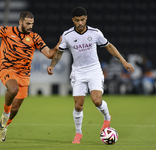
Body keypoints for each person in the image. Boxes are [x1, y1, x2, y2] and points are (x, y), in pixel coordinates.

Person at [47, 7, 134, 144]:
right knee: (78, 106)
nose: (80, 23)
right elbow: (59, 52)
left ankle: (107, 117)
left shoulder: (95, 33)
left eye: (82, 20)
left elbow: (109, 46)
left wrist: (124, 62)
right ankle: (78, 134)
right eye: (77, 20)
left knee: (97, 101)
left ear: (86, 18)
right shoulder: (67, 35)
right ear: (73, 20)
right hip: (78, 72)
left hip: (94, 70)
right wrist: (52, 65)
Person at [0, 11, 61, 142]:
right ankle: (5, 114)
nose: (30, 26)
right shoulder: (6, 30)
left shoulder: (35, 37)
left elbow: (48, 54)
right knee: (13, 89)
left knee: (16, 108)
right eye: (28, 23)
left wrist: (56, 48)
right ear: (20, 22)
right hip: (7, 69)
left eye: (32, 24)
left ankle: (4, 126)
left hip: (24, 75)